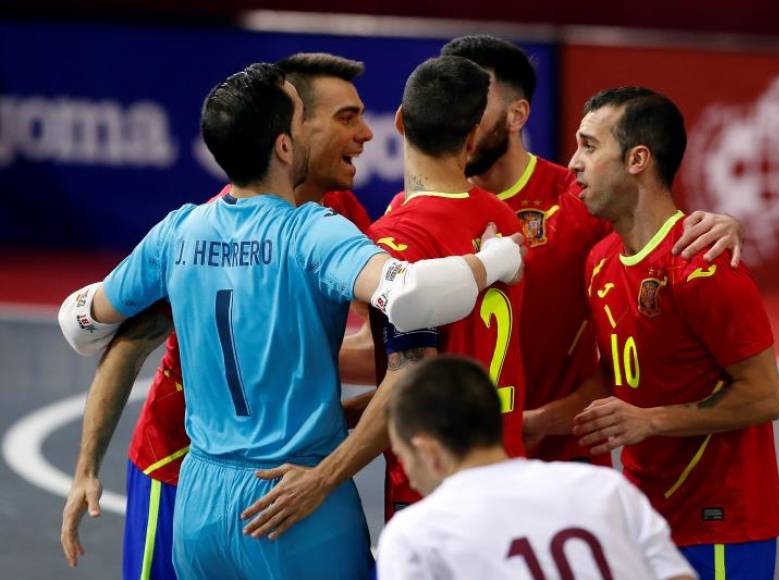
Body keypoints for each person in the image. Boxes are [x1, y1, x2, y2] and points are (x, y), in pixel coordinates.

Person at [58, 62, 524, 579]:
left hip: (200, 499)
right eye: (302, 122)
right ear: (284, 146)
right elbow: (410, 295)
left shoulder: (177, 231)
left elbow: (82, 324)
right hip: (294, 498)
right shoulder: (312, 232)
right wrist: (495, 261)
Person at [60, 53, 376, 579]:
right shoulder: (207, 229)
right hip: (179, 462)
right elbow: (129, 342)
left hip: (270, 468)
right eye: (346, 118)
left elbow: (365, 344)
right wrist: (86, 467)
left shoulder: (337, 214)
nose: (366, 133)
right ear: (290, 135)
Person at [237, 55, 527, 535]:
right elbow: (453, 358)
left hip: (431, 491)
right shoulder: (504, 221)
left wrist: (322, 478)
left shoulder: (398, 239)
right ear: (474, 135)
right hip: (506, 470)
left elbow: (409, 375)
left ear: (399, 122)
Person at [437, 35, 744, 464]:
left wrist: (724, 223)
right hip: (459, 457)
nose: (457, 119)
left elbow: (658, 228)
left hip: (562, 459)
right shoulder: (432, 210)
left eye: (473, 102)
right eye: (448, 101)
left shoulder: (580, 199)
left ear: (517, 114)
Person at [570, 87, 779, 579]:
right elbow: (618, 379)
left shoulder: (704, 267)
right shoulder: (601, 262)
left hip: (719, 526)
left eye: (588, 146)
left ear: (637, 159)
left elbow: (765, 397)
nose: (573, 163)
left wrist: (649, 421)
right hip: (645, 519)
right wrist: (531, 422)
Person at [377, 355, 697, 580]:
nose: (411, 478)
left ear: (428, 450)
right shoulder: (605, 488)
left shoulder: (415, 534)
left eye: (403, 456)